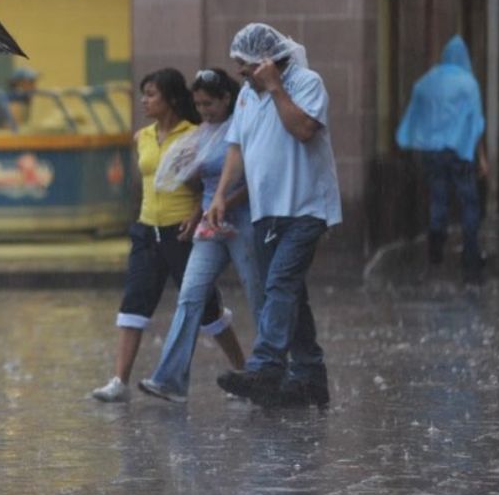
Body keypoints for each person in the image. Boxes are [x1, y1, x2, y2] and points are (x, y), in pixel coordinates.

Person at [91, 68, 246, 403]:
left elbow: (200, 186)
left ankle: (244, 369)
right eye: (143, 94)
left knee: (206, 308)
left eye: (151, 95)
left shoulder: (197, 134)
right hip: (147, 229)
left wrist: (195, 217)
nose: (144, 101)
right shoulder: (142, 137)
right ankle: (120, 380)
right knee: (134, 301)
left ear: (172, 99)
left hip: (182, 231)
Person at [209, 23, 342, 408]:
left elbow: (303, 129)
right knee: (290, 294)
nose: (240, 73)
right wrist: (220, 196)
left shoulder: (306, 83)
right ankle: (309, 376)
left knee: (280, 284)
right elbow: (235, 147)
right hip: (266, 211)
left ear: (268, 62)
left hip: (305, 206)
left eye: (245, 66)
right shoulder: (246, 97)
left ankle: (266, 366)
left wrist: (275, 87)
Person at [138, 68, 264, 403]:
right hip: (210, 223)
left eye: (209, 103)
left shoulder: (243, 127)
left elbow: (254, 180)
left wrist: (225, 202)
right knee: (190, 295)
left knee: (257, 293)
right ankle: (170, 379)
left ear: (226, 98)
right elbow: (197, 183)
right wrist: (186, 171)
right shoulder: (202, 133)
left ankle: (270, 369)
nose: (204, 110)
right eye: (199, 104)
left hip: (242, 220)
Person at [395, 35, 488, 283]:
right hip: (460, 151)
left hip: (432, 152)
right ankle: (470, 255)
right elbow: (476, 122)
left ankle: (435, 245)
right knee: (468, 202)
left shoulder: (427, 82)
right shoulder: (468, 84)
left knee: (439, 198)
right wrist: (481, 156)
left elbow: (416, 112)